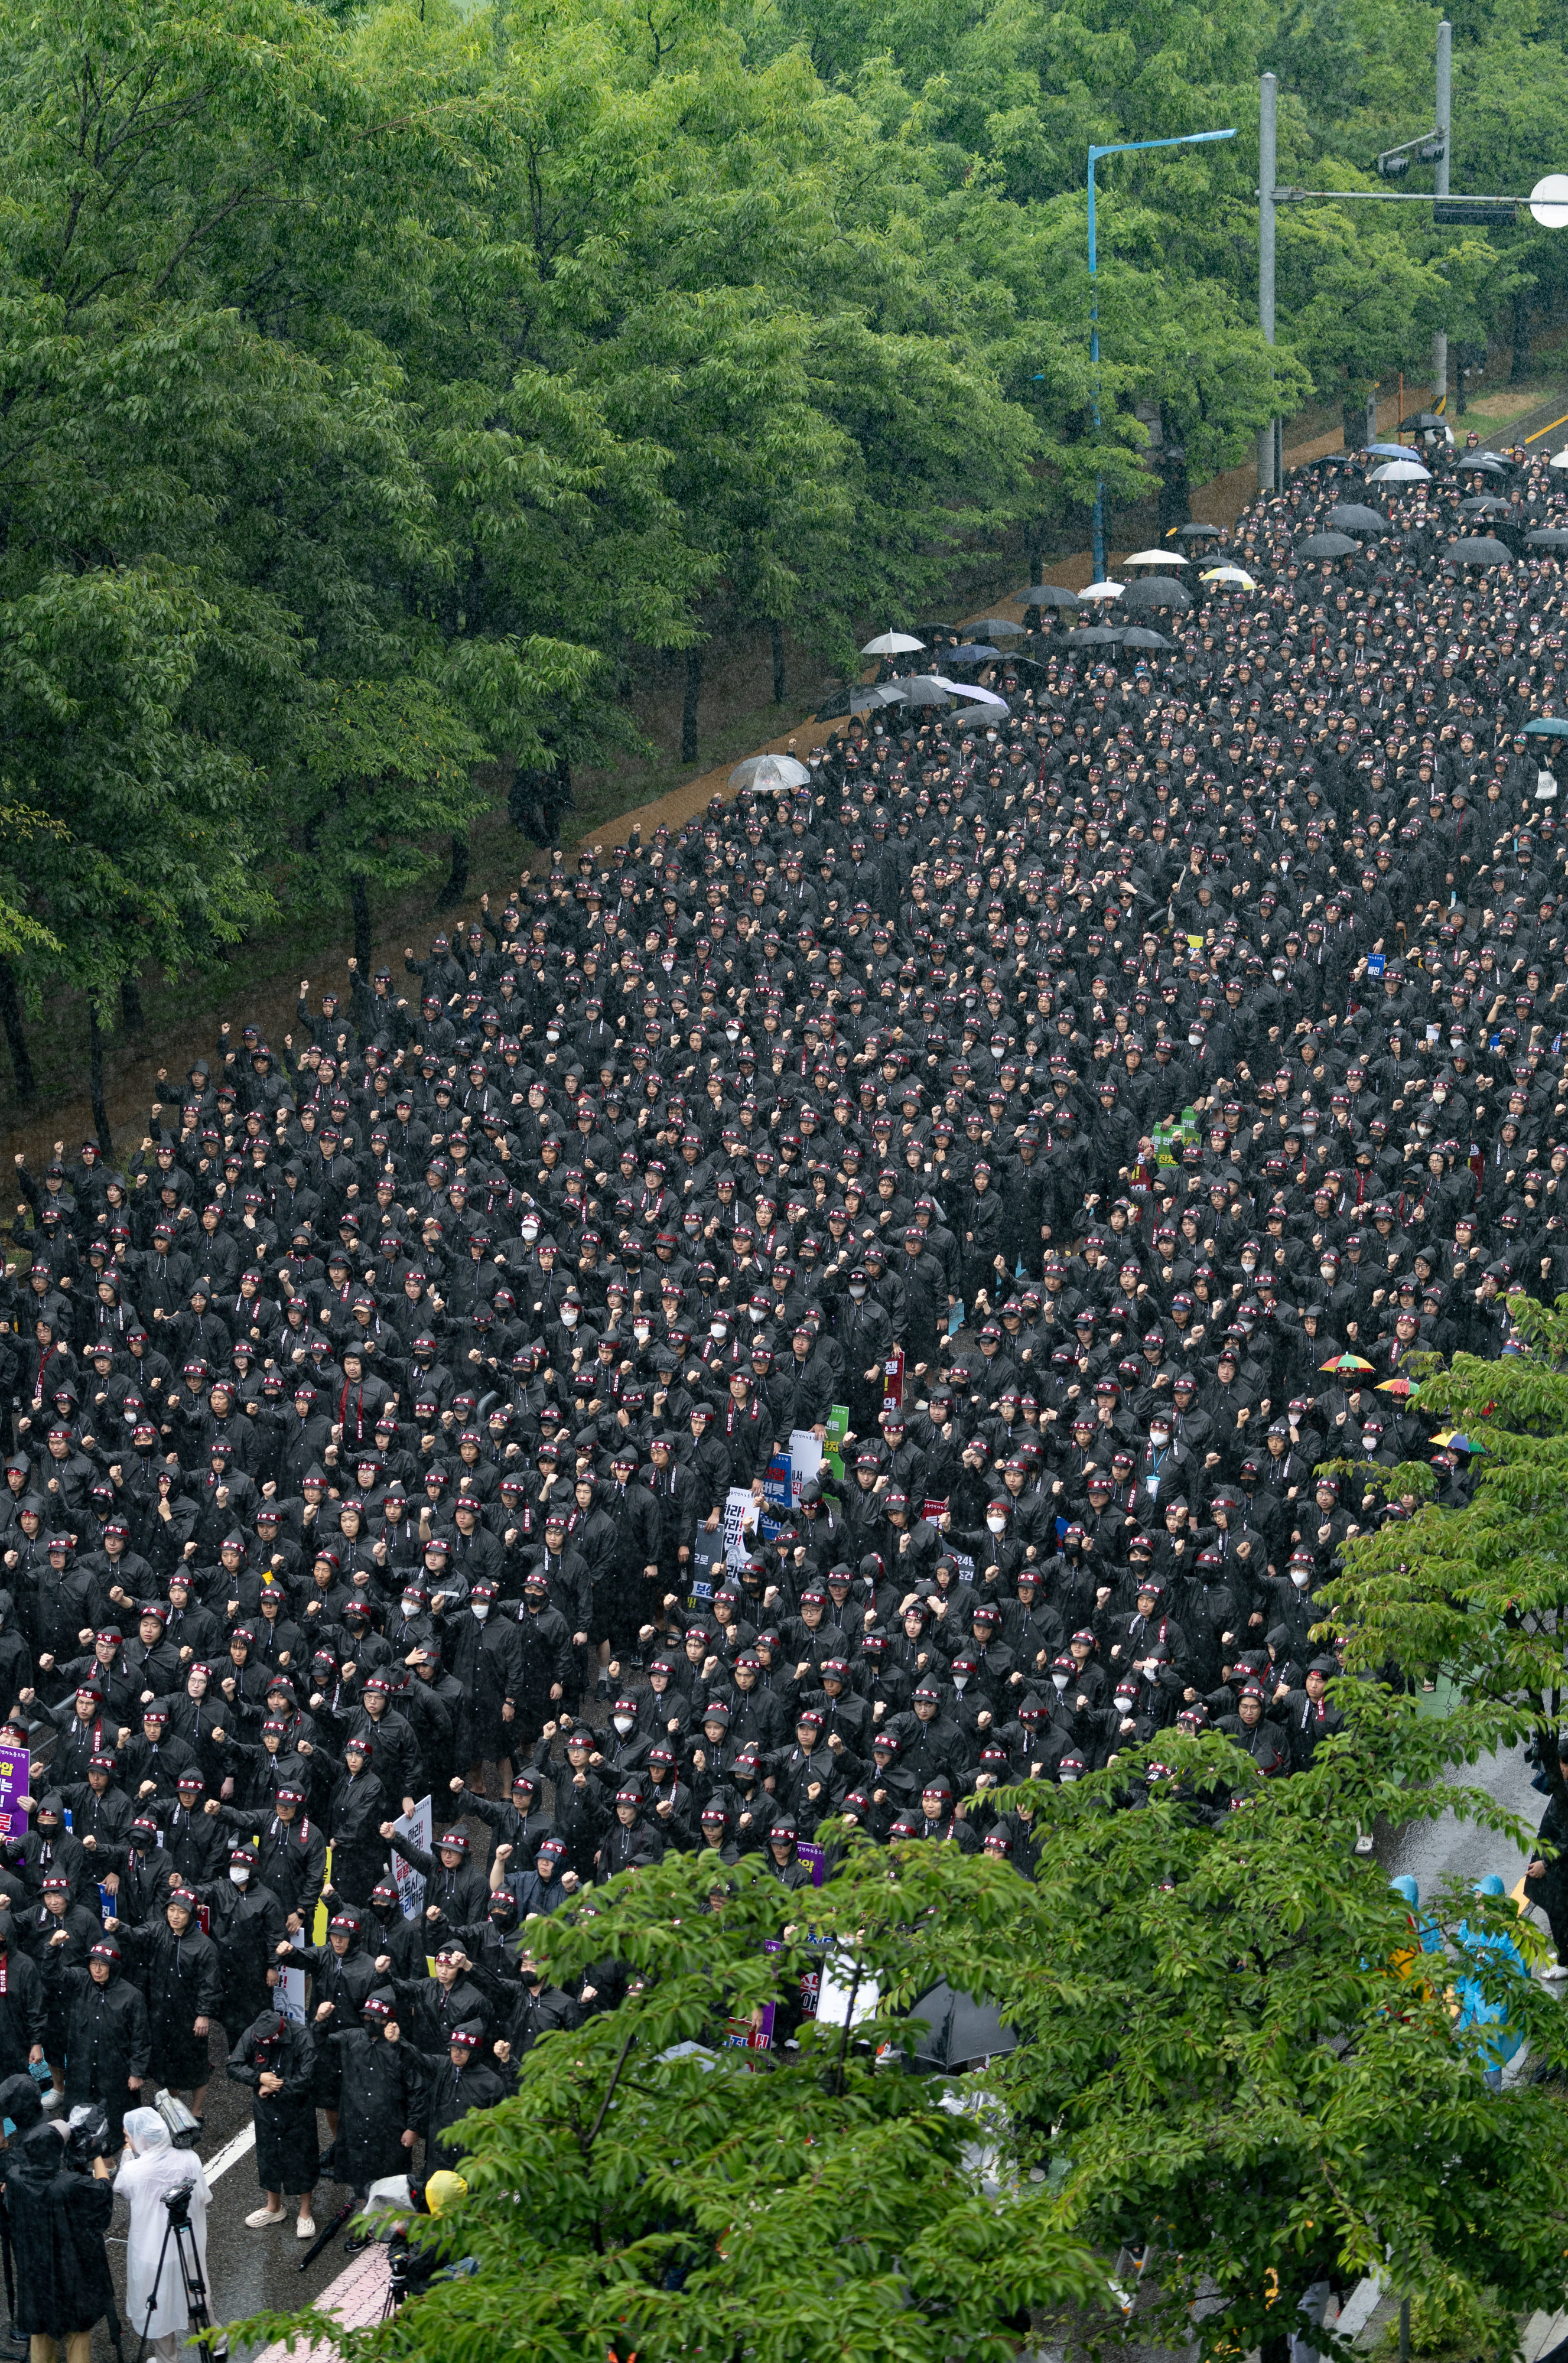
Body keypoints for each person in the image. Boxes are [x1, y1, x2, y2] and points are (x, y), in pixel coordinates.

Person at [0, 2071, 115, 2363]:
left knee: (40, 2326)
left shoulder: (13, 2173)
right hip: (69, 2259)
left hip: (33, 2262)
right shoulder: (66, 2182)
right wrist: (95, 2151)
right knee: (78, 2326)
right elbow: (99, 2195)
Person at [115, 2106, 212, 2363]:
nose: (129, 2141)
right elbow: (203, 2196)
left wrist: (127, 2155)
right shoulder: (189, 2157)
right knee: (197, 2294)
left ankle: (168, 2358)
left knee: (156, 2304)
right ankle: (216, 2341)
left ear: (142, 2138)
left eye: (129, 2136)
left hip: (152, 2252)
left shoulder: (134, 2171)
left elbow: (122, 2187)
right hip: (187, 2242)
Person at [226, 2006, 319, 2238]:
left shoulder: (302, 2037)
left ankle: (305, 2212)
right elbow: (234, 2066)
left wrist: (277, 2085)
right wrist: (258, 2077)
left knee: (302, 2158)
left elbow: (307, 2077)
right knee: (268, 2156)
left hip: (297, 2109)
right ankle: (274, 2207)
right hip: (266, 2110)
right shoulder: (253, 2032)